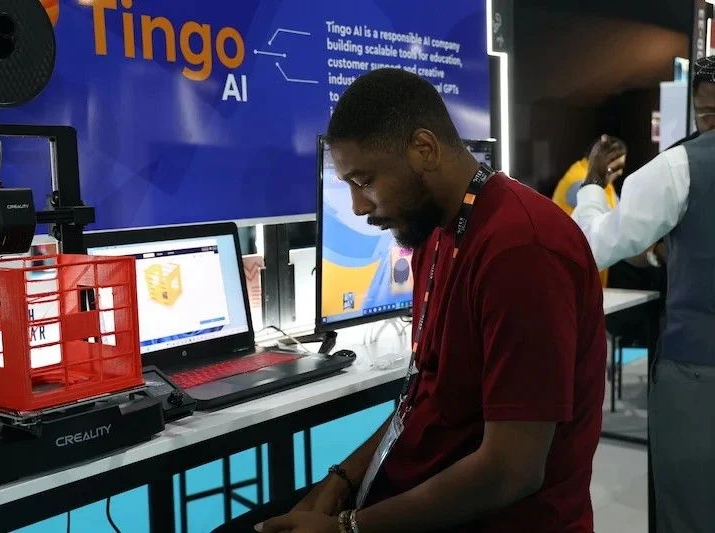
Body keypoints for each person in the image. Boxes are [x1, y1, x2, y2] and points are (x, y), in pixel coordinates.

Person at [215, 68, 607, 533]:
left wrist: (348, 528)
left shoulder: (521, 251)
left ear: (424, 149)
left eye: (364, 180)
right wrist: (342, 479)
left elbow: (512, 470)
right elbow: (421, 401)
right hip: (409, 491)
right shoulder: (435, 233)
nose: (358, 206)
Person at [571, 55, 715, 533]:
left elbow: (589, 244)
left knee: (690, 513)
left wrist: (594, 182)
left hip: (699, 376)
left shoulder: (682, 165)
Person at [552, 137, 626, 290]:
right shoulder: (578, 181)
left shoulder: (605, 183)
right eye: (618, 166)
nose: (620, 172)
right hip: (573, 274)